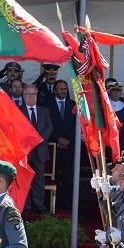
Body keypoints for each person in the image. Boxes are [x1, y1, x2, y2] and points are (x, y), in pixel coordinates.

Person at [20, 84, 52, 214]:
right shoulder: (19, 110)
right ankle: (26, 205)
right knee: (25, 178)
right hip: (25, 151)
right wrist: (29, 141)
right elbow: (17, 129)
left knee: (39, 178)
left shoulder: (44, 110)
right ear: (24, 96)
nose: (31, 97)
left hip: (40, 149)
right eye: (28, 94)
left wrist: (38, 140)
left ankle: (39, 204)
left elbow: (49, 127)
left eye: (33, 94)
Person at [47, 79, 76, 210]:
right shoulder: (47, 105)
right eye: (61, 89)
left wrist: (68, 140)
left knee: (68, 175)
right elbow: (47, 125)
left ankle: (67, 203)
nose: (63, 91)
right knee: (54, 175)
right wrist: (58, 139)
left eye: (65, 88)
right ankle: (53, 203)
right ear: (54, 90)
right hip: (53, 146)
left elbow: (77, 126)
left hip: (69, 147)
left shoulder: (73, 105)